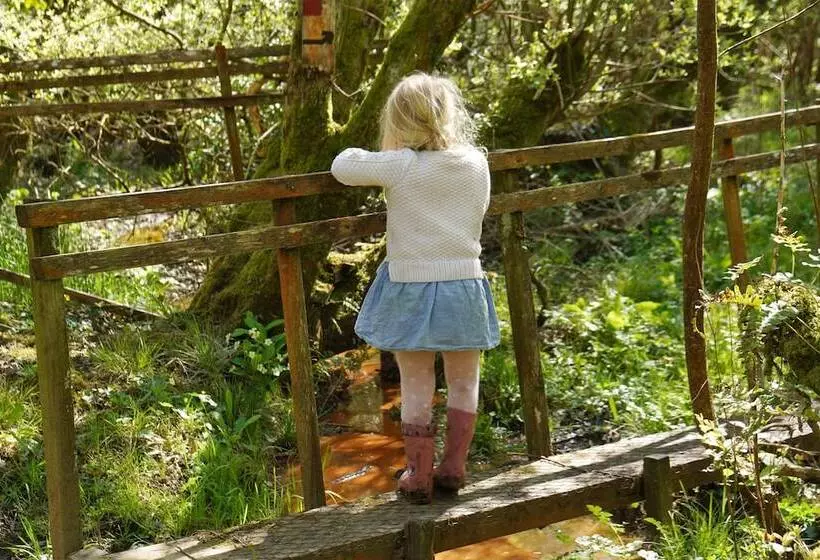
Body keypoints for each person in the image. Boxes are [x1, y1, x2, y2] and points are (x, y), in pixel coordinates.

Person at [330, 72, 500, 504]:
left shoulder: (402, 163)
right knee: (464, 382)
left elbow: (342, 165)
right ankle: (455, 467)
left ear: (400, 122)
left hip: (412, 284)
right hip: (464, 283)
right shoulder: (476, 162)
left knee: (416, 383)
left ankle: (417, 474)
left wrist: (373, 148)